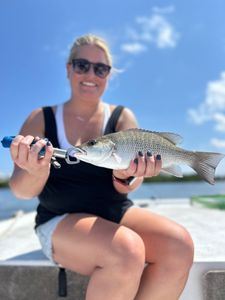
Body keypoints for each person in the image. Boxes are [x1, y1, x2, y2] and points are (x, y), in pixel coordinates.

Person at [9, 34, 194, 300]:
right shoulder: (41, 118)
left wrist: (125, 175)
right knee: (126, 250)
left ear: (108, 75)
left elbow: (130, 185)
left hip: (114, 211)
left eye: (101, 68)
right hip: (59, 218)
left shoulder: (122, 117)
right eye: (82, 65)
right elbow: (21, 191)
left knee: (179, 245)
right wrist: (36, 170)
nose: (91, 74)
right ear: (68, 68)